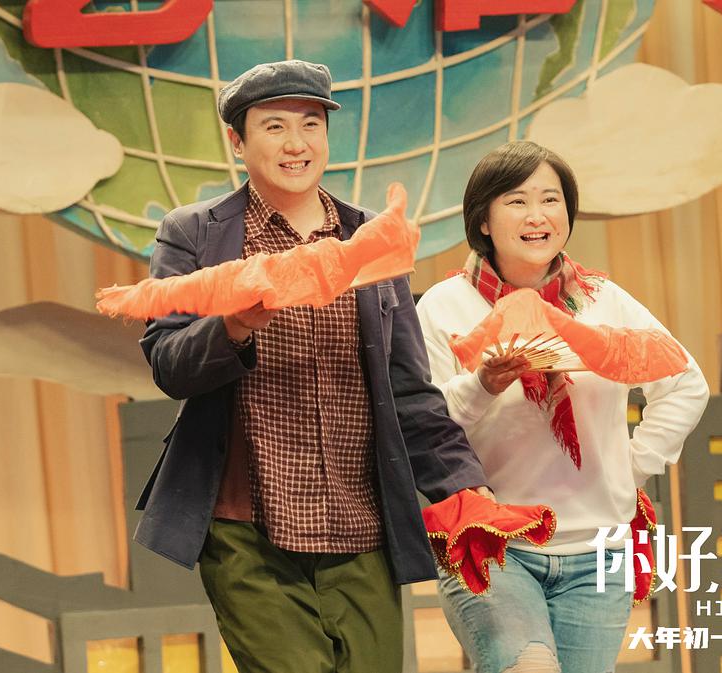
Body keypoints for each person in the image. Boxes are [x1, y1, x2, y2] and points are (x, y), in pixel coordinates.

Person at [132, 59, 490, 673]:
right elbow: (168, 363)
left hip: (362, 526)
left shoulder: (368, 238)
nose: (295, 143)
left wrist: (465, 485)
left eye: (310, 124)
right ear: (238, 141)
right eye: (274, 126)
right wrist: (234, 325)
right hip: (247, 530)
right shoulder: (195, 234)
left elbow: (409, 390)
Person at [415, 141, 709, 673]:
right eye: (517, 201)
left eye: (551, 200)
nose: (537, 216)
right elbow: (426, 426)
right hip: (494, 543)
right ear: (483, 220)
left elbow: (686, 383)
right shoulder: (444, 305)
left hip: (599, 552)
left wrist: (631, 469)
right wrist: (482, 384)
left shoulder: (603, 300)